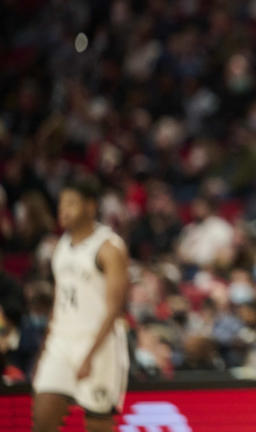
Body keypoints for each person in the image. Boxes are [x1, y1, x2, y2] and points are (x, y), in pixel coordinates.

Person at [32, 177, 130, 431]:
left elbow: (115, 308)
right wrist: (47, 344)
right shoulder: (60, 247)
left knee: (97, 424)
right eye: (62, 204)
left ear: (90, 206)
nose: (63, 210)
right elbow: (59, 302)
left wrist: (89, 354)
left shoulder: (109, 247)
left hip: (99, 345)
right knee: (43, 417)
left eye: (72, 203)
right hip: (62, 343)